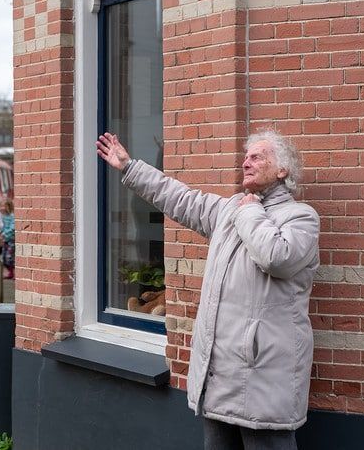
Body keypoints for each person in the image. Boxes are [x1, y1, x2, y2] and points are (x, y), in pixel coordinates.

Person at [97, 131, 319, 450]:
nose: (246, 162)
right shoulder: (229, 210)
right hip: (219, 378)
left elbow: (276, 257)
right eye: (245, 156)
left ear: (282, 170)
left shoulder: (301, 218)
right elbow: (180, 198)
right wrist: (130, 167)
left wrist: (249, 210)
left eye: (257, 157)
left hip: (263, 381)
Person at [0, 198, 15, 279]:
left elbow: (13, 228)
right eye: (1, 206)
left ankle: (13, 273)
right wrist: (0, 233)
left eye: (3, 206)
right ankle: (10, 272)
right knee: (4, 258)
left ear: (8, 207)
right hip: (5, 240)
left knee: (10, 257)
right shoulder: (3, 217)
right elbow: (2, 227)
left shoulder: (12, 216)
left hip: (11, 240)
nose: (1, 208)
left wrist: (4, 234)